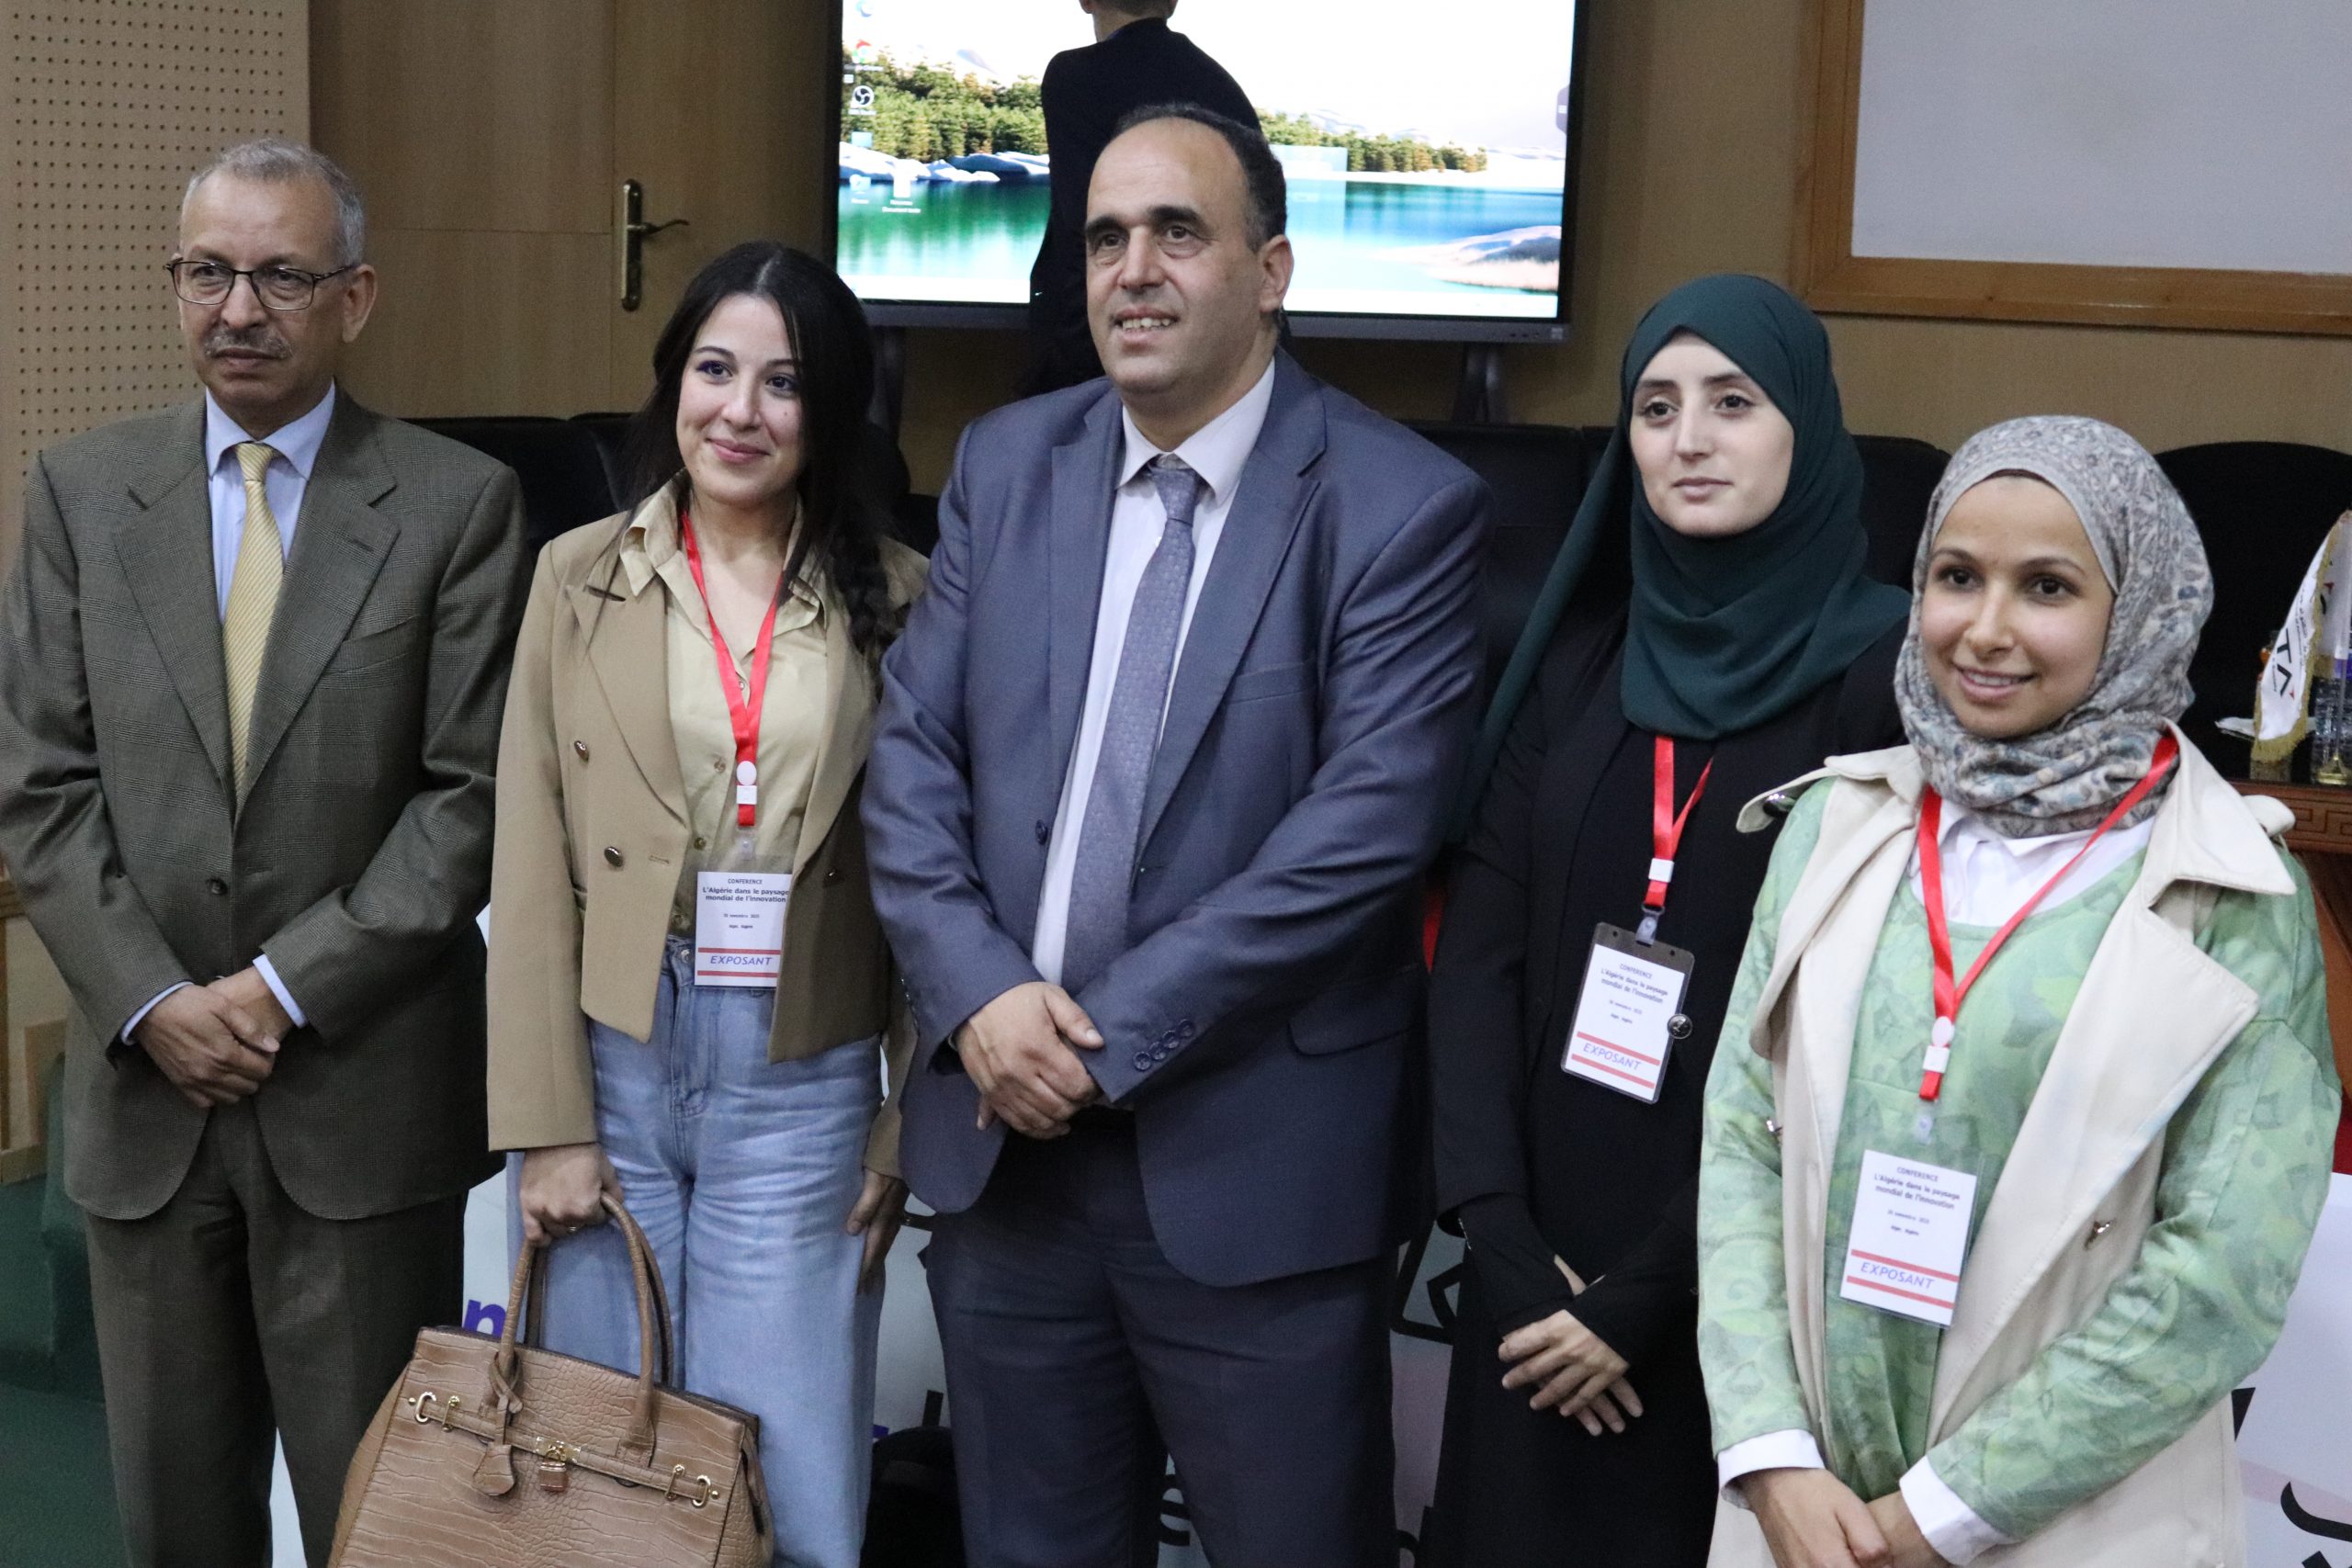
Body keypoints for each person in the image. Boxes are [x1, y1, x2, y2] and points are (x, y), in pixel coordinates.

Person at [864, 104, 1489, 1566]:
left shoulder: (1401, 505)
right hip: (1008, 1160)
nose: (1132, 269)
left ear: (1271, 270)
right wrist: (984, 997)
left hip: (1252, 1176)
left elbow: (1363, 833)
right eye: (1104, 237)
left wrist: (1087, 1043)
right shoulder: (1007, 461)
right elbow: (912, 755)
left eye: (1177, 232)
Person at [0, 139, 526, 1566]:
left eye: (282, 277)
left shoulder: (457, 504)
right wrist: (156, 999)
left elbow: (469, 797)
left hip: (359, 1104)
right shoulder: (82, 494)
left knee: (375, 1518)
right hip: (145, 1095)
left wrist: (281, 988)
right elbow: (39, 785)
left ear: (355, 296)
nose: (239, 309)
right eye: (208, 272)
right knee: (175, 1515)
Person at [1699, 416, 2341, 1568]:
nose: (1985, 629)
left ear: (2138, 611)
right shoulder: (1834, 825)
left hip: (2071, 1526)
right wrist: (1769, 1452)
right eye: (1956, 576)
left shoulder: (2240, 896)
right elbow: (1742, 1146)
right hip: (1803, 1518)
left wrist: (1941, 1514)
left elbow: (2220, 1276)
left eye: (2045, 586)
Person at [1423, 274, 1910, 1568]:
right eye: (1655, 407)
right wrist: (1498, 1235)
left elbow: (1873, 1038)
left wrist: (1646, 1297)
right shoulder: (1581, 656)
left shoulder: (1888, 684)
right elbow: (1478, 956)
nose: (1688, 438)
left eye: (1732, 402)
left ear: (1806, 425)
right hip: (1529, 1283)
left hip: (1738, 1297)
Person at [488, 241, 924, 1568]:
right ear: (672, 381)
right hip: (617, 1053)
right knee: (600, 1461)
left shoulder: (904, 598)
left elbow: (933, 877)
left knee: (785, 1470)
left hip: (803, 1075)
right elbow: (529, 853)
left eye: (782, 383)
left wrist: (902, 1118)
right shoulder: (576, 574)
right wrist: (549, 1126)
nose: (740, 410)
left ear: (829, 410)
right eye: (714, 370)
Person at [1023, 1, 1254, 396]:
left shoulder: (1078, 76)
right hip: (1226, 356)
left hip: (1110, 354)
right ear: (1173, 2)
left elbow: (1085, 230)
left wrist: (1066, 376)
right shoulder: (1221, 84)